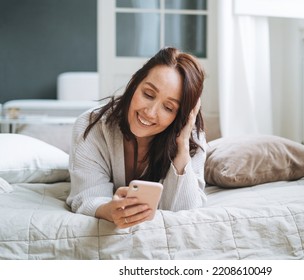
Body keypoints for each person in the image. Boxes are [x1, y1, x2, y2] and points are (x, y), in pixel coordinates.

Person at [66, 47, 207, 228]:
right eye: (148, 94)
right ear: (134, 83)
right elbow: (87, 196)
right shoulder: (91, 126)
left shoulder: (191, 138)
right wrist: (109, 210)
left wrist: (182, 149)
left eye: (169, 108)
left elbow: (187, 212)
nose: (150, 112)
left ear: (180, 116)